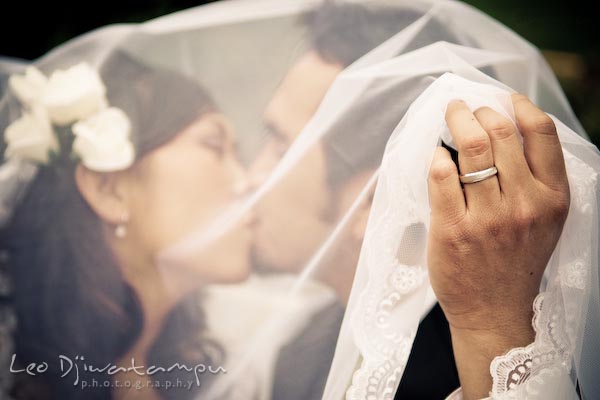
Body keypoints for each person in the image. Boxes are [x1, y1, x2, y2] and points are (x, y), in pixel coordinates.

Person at [249, 2, 571, 399]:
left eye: (281, 148)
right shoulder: (302, 346)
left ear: (369, 197)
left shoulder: (486, 370)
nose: (252, 179)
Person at [0, 51, 254, 400]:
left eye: (238, 154)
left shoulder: (208, 380)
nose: (247, 182)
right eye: (214, 146)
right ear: (109, 188)